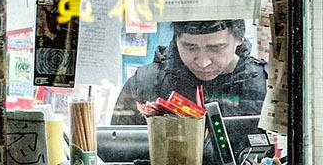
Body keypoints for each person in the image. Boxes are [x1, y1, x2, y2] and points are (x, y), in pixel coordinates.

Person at [111, 18, 268, 123]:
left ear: (239, 38)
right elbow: (116, 153)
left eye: (216, 48)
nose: (203, 62)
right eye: (190, 47)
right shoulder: (145, 84)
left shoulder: (266, 86)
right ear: (176, 40)